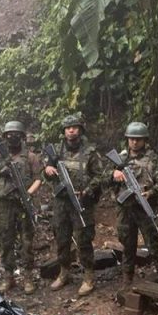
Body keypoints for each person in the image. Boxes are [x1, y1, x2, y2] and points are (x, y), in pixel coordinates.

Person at [45, 114, 103, 297]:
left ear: (80, 130)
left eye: (75, 127)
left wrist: (87, 191)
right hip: (61, 202)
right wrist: (47, 169)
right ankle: (64, 272)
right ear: (63, 131)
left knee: (83, 239)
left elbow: (100, 176)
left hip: (81, 202)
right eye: (68, 128)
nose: (71, 130)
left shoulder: (90, 152)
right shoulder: (55, 150)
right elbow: (46, 171)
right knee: (62, 238)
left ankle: (88, 276)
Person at [0, 120, 42, 295]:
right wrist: (1, 167)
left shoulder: (30, 157)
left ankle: (28, 277)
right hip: (5, 204)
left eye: (16, 134)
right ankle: (9, 276)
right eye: (8, 134)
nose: (12, 137)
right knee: (6, 240)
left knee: (26, 242)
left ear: (22, 137)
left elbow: (38, 178)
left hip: (23, 204)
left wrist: (29, 194)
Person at [111, 121, 158, 288]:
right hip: (125, 209)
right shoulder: (120, 159)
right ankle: (127, 278)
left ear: (145, 140)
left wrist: (150, 193)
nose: (134, 142)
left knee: (154, 245)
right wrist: (113, 174)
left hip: (145, 209)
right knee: (128, 245)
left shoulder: (153, 160)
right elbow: (103, 179)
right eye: (131, 139)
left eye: (138, 139)